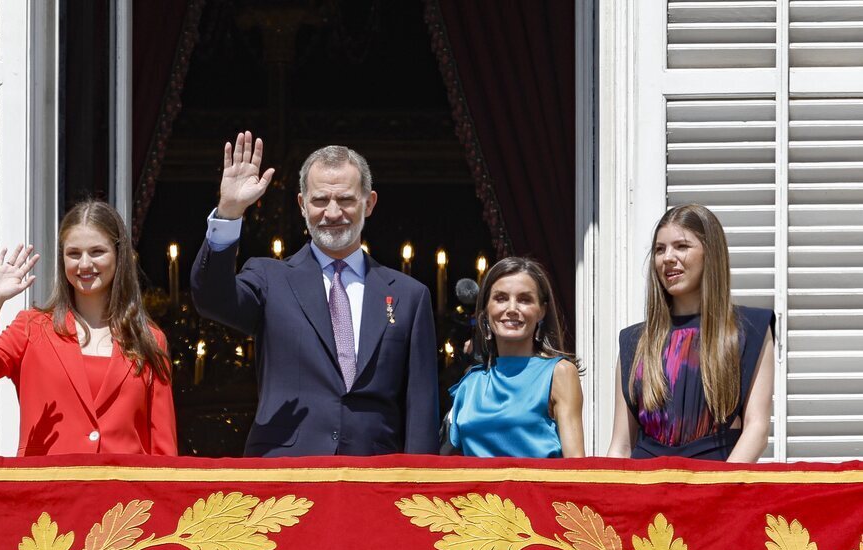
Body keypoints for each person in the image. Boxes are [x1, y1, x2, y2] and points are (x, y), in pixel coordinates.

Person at [190, 131, 439, 456]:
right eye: (320, 200)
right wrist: (229, 213)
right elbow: (211, 298)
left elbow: (421, 407)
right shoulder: (270, 278)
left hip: (375, 480)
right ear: (302, 205)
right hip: (287, 475)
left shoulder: (409, 295)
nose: (333, 213)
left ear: (369, 203)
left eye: (346, 200)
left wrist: (417, 488)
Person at [0, 200, 177, 456]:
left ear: (119, 255)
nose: (84, 264)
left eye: (97, 252)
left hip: (122, 494)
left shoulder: (149, 338)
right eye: (74, 254)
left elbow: (163, 450)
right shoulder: (31, 327)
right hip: (48, 491)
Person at [607, 204, 774, 462]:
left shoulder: (750, 329)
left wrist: (714, 494)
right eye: (660, 249)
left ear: (711, 253)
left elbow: (757, 429)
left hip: (717, 487)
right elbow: (620, 447)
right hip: (646, 491)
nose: (668, 258)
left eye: (681, 246)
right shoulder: (634, 341)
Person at [447, 257, 585, 458]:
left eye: (524, 299)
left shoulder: (559, 373)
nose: (512, 309)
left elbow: (576, 467)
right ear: (485, 310)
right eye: (501, 298)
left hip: (539, 489)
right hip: (477, 490)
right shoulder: (470, 382)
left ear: (542, 311)